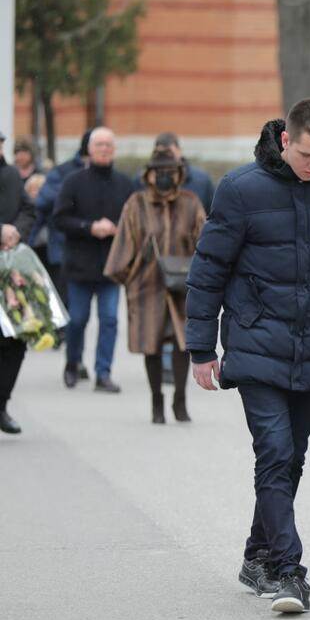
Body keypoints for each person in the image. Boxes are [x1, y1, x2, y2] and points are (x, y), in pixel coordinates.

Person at [185, 99, 310, 615]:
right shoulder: (239, 189)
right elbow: (208, 268)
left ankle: (256, 554)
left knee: (291, 459)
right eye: (305, 155)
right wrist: (201, 348)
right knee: (274, 453)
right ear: (284, 141)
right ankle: (287, 571)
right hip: (256, 343)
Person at [103, 147, 206, 423]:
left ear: (179, 174)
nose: (164, 178)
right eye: (159, 173)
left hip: (182, 285)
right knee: (151, 345)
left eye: (169, 173)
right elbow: (124, 242)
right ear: (148, 175)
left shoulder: (190, 202)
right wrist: (128, 277)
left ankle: (180, 399)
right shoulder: (136, 204)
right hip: (146, 285)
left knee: (184, 343)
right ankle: (156, 401)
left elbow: (205, 240)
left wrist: (205, 276)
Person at [53, 127, 132, 393]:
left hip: (112, 266)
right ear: (89, 149)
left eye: (109, 145)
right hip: (79, 264)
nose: (104, 149)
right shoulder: (73, 181)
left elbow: (135, 221)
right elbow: (60, 219)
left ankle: (103, 372)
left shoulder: (124, 183)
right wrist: (89, 227)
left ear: (114, 150)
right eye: (99, 145)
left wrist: (121, 228)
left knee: (110, 320)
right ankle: (73, 363)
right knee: (77, 320)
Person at [34, 129, 92, 316]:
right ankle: (62, 333)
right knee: (64, 300)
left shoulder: (109, 175)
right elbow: (42, 202)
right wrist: (70, 190)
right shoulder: (63, 172)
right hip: (63, 247)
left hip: (95, 250)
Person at [0, 146, 38, 435]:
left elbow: (28, 209)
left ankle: (2, 403)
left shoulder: (12, 174)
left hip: (11, 269)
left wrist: (15, 230)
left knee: (16, 338)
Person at [135, 132, 215, 214]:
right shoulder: (142, 181)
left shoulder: (201, 181)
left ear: (179, 151)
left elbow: (211, 215)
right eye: (162, 155)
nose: (166, 160)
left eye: (170, 154)